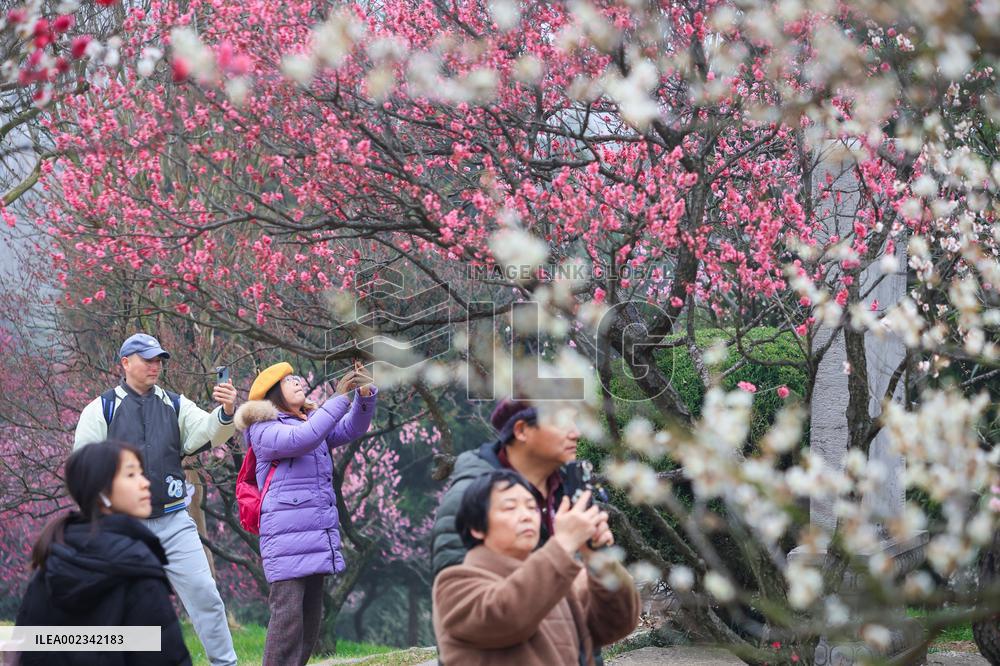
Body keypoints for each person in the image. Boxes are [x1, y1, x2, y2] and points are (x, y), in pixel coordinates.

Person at [73, 333, 238, 666]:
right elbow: (83, 467)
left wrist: (226, 411)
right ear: (125, 363)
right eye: (147, 359)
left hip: (175, 521)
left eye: (159, 360)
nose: (155, 366)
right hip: (121, 527)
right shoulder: (100, 408)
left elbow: (206, 431)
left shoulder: (175, 403)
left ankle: (226, 663)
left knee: (205, 595)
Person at [234, 361, 377, 666]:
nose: (299, 382)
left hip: (314, 532)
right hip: (286, 537)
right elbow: (303, 440)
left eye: (298, 378)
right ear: (274, 394)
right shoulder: (263, 429)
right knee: (287, 618)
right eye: (289, 381)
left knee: (310, 618)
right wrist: (338, 398)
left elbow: (352, 427)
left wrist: (363, 396)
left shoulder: (310, 420)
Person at [433, 469, 640, 665]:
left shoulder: (558, 577)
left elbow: (616, 625)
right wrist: (563, 545)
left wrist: (598, 558)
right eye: (510, 507)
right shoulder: (453, 584)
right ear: (477, 528)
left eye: (531, 507)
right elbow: (507, 617)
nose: (526, 516)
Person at [12, 440, 191, 666]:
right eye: (131, 475)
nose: (145, 483)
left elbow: (29, 649)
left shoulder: (52, 558)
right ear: (101, 489)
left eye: (142, 473)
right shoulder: (136, 567)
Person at [431, 397, 580, 577]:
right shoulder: (470, 497)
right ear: (521, 430)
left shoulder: (571, 492)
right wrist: (562, 549)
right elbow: (460, 593)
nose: (576, 433)